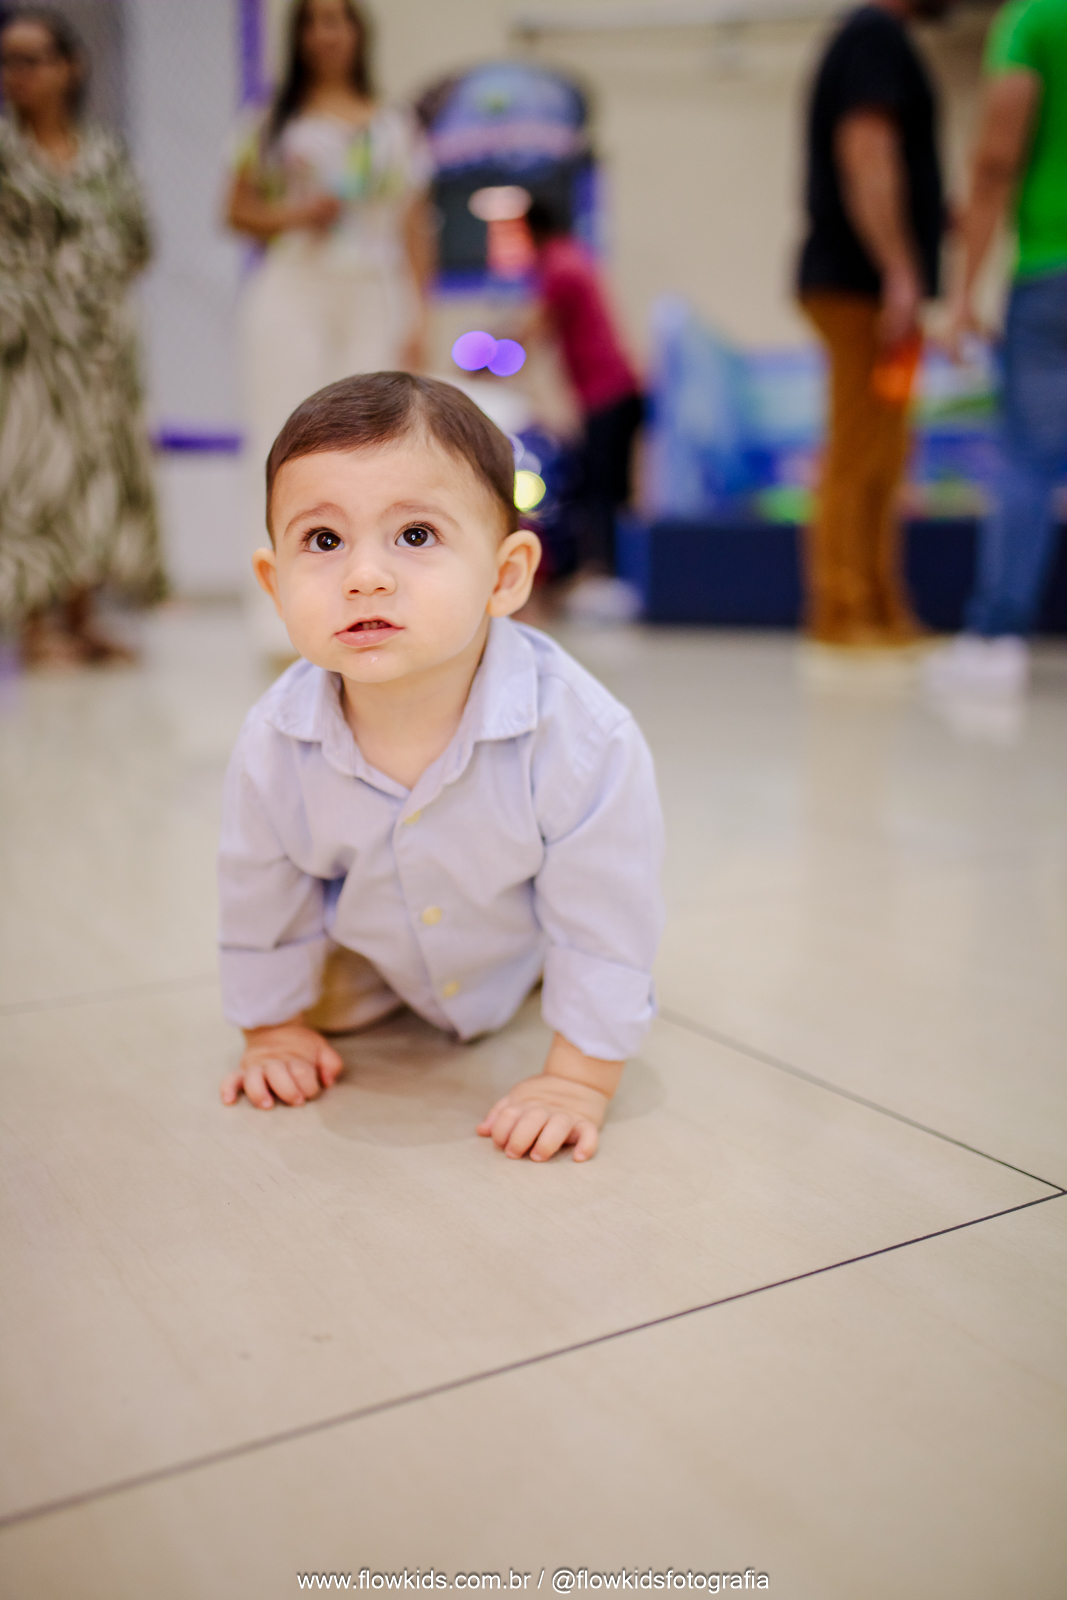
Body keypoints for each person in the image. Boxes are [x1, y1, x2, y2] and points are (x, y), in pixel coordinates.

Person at [217, 372, 663, 1163]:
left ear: (505, 576)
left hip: (514, 956)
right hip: (365, 961)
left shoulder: (580, 738)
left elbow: (605, 916)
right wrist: (272, 1027)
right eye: (323, 541)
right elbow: (261, 894)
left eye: (415, 535)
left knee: (572, 940)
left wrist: (577, 1080)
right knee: (324, 997)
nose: (364, 576)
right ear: (274, 586)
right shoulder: (275, 741)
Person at [226, 0, 434, 657]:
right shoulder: (271, 120)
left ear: (357, 31)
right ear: (299, 35)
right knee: (281, 441)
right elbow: (236, 211)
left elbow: (414, 224)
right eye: (313, 21)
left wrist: (419, 313)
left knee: (373, 448)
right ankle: (278, 614)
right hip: (293, 288)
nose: (326, 33)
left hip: (373, 290)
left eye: (337, 19)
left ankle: (372, 603)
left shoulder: (395, 124)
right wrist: (295, 215)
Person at [0, 6, 164, 666]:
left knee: (98, 469)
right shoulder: (5, 157)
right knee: (33, 471)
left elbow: (139, 239)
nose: (18, 74)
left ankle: (83, 613)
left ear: (70, 67)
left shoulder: (104, 152)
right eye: (8, 61)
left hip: (99, 342)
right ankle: (35, 621)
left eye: (32, 60)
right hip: (24, 346)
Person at [797, 0, 952, 648]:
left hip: (876, 288)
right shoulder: (872, 38)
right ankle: (842, 609)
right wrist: (899, 269)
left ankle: (882, 606)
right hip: (860, 287)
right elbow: (866, 151)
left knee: (886, 453)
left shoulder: (880, 40)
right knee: (860, 451)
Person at [926, 0, 1067, 695]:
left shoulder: (1033, 20)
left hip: (1052, 270)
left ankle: (995, 638)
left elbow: (995, 162)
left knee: (1027, 460)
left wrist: (962, 295)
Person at [523, 199, 644, 623]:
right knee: (611, 489)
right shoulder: (575, 258)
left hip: (606, 393)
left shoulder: (558, 266)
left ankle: (604, 579)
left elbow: (536, 329)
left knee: (601, 491)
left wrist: (488, 359)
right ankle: (610, 576)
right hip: (618, 390)